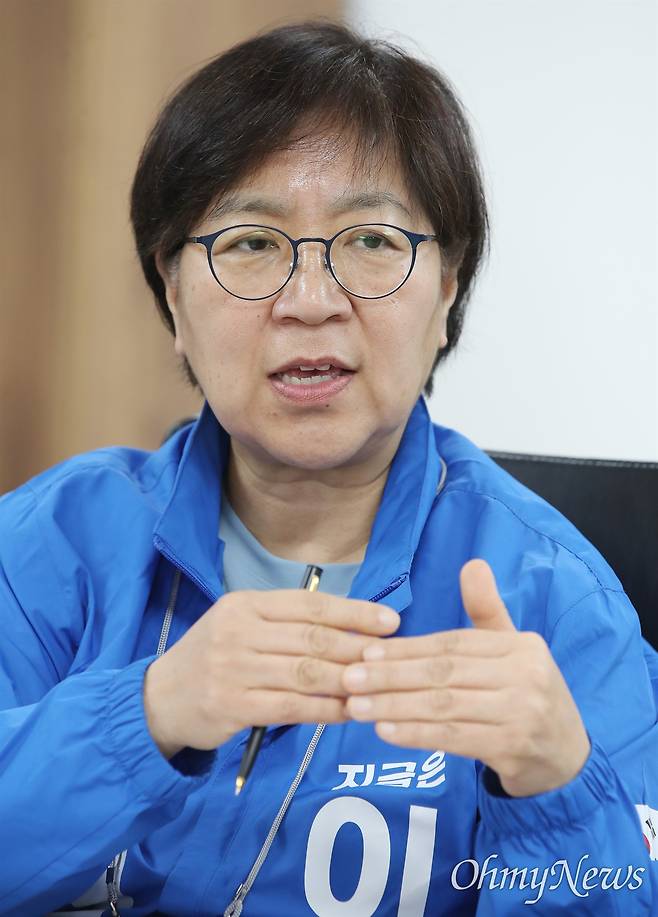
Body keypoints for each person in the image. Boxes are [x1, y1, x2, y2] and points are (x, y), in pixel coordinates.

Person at [0, 20, 656, 917]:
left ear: (448, 288)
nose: (310, 302)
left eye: (372, 241)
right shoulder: (46, 550)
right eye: (252, 243)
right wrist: (147, 712)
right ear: (173, 293)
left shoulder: (554, 599)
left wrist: (555, 787)